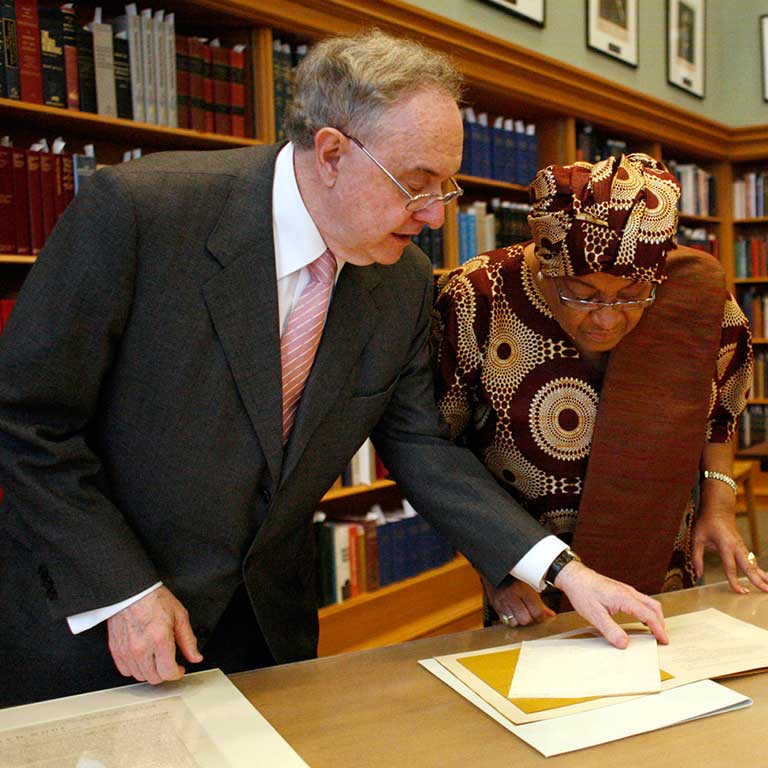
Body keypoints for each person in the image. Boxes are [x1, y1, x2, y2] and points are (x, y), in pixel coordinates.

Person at [0, 32, 667, 709]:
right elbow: (27, 422)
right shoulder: (142, 214)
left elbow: (419, 446)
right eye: (416, 185)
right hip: (95, 619)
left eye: (448, 185)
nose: (436, 215)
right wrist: (125, 589)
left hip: (264, 633)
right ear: (332, 153)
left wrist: (566, 571)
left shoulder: (400, 280)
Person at [433, 153, 768, 629]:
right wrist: (497, 561)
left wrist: (719, 505)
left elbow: (720, 414)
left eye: (632, 293)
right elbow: (440, 450)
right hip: (531, 573)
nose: (608, 318)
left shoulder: (695, 296)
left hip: (657, 554)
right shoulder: (478, 298)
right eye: (583, 294)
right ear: (545, 266)